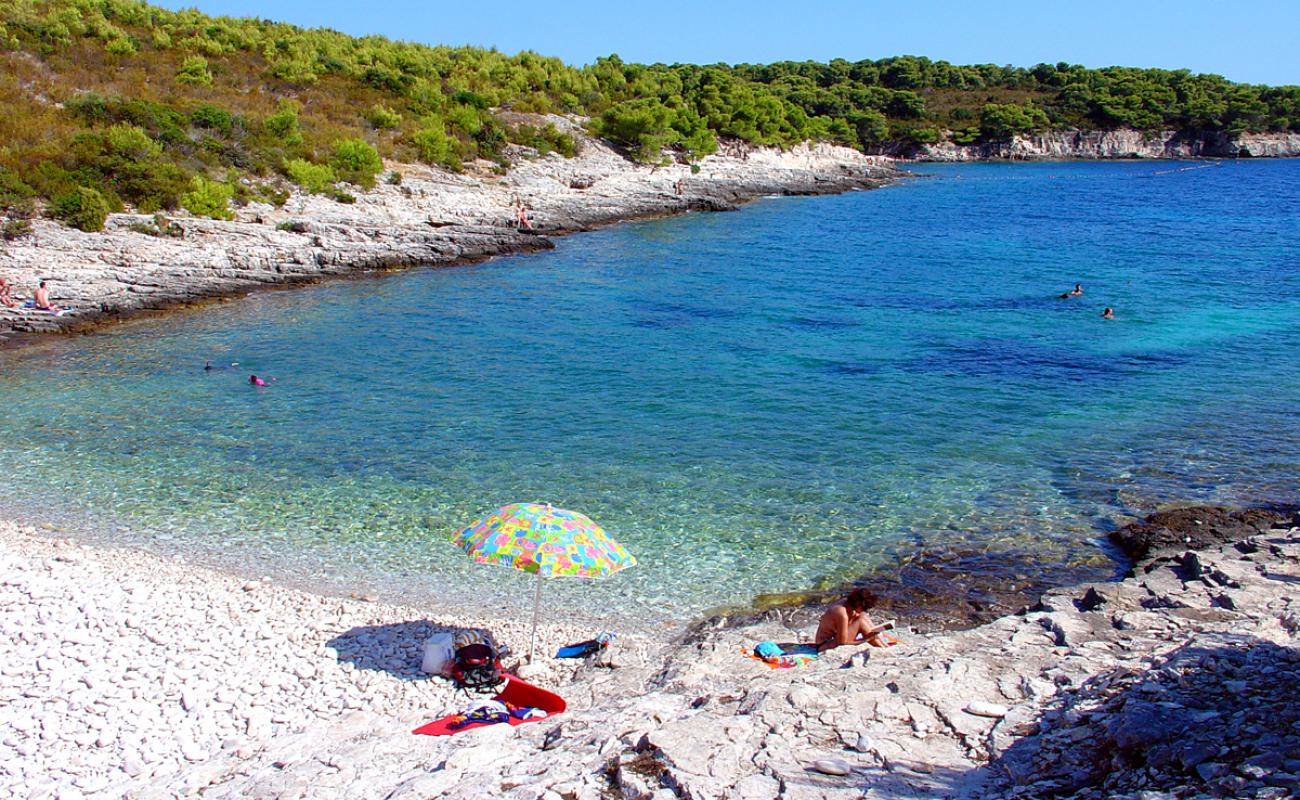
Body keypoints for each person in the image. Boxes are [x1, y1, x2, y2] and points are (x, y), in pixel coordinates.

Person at [814, 588, 891, 652]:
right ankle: (883, 648)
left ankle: (884, 645)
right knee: (861, 621)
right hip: (824, 644)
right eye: (864, 608)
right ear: (858, 604)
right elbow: (842, 643)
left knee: (863, 616)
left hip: (834, 638)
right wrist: (865, 639)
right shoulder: (842, 613)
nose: (865, 610)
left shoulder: (847, 604)